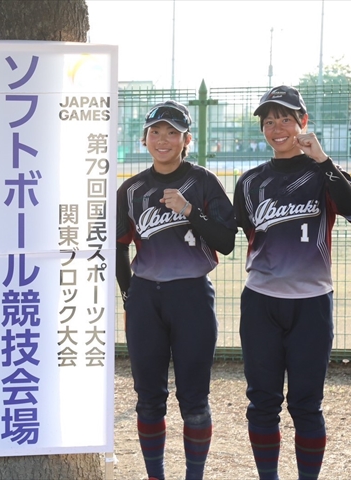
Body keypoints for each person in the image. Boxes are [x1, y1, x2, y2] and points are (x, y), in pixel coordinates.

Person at [233, 86, 351, 480]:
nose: (277, 128)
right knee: (262, 403)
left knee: (306, 404)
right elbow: (247, 233)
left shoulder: (323, 173)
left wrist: (321, 157)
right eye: (269, 121)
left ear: (302, 122)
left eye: (286, 119)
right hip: (261, 302)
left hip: (312, 303)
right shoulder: (250, 182)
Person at [116, 100, 238, 480]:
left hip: (192, 296)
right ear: (144, 139)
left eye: (172, 133)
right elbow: (118, 247)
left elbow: (226, 241)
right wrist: (130, 295)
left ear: (187, 140)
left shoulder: (202, 182)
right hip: (145, 299)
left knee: (195, 400)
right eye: (155, 132)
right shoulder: (131, 189)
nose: (163, 140)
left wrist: (189, 211)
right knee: (148, 399)